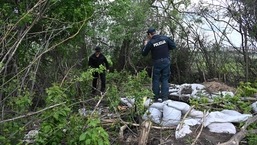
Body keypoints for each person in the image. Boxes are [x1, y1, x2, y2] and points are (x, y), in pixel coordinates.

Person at [141, 28, 176, 102]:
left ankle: (155, 98)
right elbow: (173, 46)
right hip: (166, 61)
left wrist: (144, 45)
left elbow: (144, 53)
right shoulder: (165, 38)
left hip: (157, 62)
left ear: (150, 34)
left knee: (156, 80)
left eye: (148, 35)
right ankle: (164, 98)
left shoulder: (150, 42)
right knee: (165, 79)